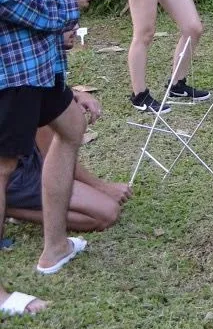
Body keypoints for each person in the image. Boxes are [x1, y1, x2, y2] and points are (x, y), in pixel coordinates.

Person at [0, 0, 101, 316]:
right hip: (11, 66)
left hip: (38, 60)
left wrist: (60, 12)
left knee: (72, 126)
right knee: (2, 168)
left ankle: (54, 248)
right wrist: (65, 3)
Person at [5, 30, 130, 235]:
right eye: (65, 23)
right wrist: (102, 186)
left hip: (24, 158)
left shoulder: (31, 61)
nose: (75, 28)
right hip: (15, 170)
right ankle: (10, 208)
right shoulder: (30, 80)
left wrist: (72, 93)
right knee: (105, 212)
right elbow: (52, 158)